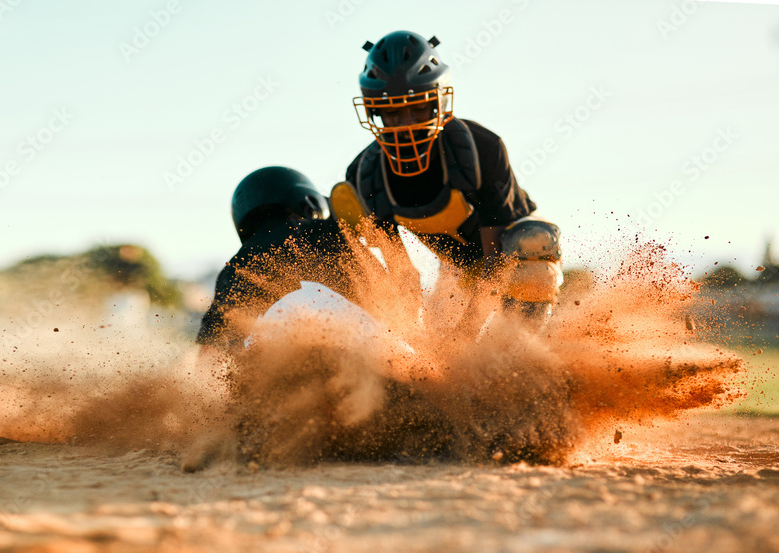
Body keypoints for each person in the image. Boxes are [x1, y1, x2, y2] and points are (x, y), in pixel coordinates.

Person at [330, 30, 563, 323]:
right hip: (459, 269)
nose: (407, 125)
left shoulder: (480, 148)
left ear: (438, 101)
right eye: (393, 113)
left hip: (506, 254)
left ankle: (524, 354)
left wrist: (467, 331)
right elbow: (401, 276)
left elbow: (495, 259)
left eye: (418, 108)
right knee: (438, 353)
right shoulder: (366, 173)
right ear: (375, 111)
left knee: (531, 242)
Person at [196, 166, 358, 351]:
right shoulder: (328, 231)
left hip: (272, 365)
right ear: (309, 202)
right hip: (354, 350)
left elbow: (210, 354)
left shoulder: (232, 269)